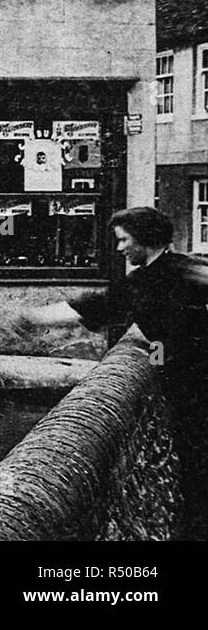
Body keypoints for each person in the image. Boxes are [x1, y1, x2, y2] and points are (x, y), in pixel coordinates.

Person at [40, 207, 208, 530]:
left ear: (144, 241)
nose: (120, 249)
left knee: (195, 471)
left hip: (194, 388)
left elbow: (95, 306)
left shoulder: (149, 281)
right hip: (190, 380)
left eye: (124, 240)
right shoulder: (184, 268)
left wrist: (34, 318)